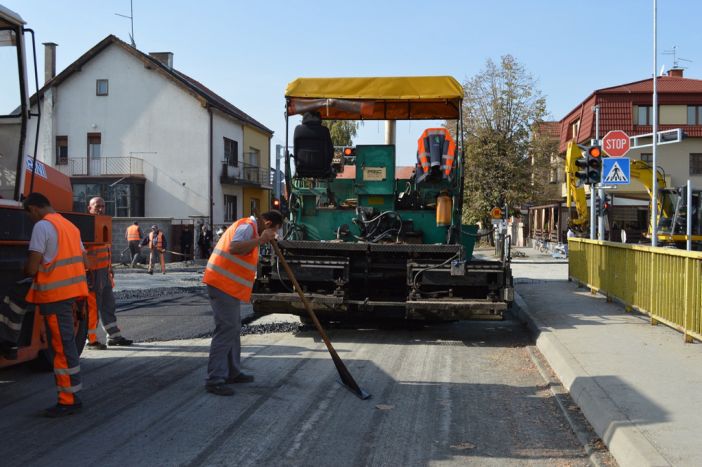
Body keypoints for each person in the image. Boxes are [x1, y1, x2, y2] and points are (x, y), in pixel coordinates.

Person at [202, 210, 283, 396]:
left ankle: (233, 372)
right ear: (268, 223)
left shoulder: (252, 229)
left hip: (227, 286)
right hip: (221, 284)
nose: (274, 235)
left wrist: (262, 240)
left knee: (233, 328)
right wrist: (261, 240)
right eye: (275, 230)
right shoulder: (247, 226)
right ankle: (214, 379)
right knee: (226, 329)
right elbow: (234, 247)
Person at [23, 192, 89, 417]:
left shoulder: (42, 227)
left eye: (30, 215)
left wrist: (24, 273)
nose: (31, 219)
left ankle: (69, 399)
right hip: (70, 295)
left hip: (54, 297)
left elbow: (32, 268)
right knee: (65, 345)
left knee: (61, 348)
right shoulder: (70, 226)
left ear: (33, 209)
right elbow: (84, 260)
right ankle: (71, 395)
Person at [85, 197, 133, 349]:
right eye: (97, 206)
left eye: (103, 206)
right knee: (92, 308)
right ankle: (90, 339)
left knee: (108, 305)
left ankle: (113, 336)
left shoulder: (104, 224)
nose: (100, 208)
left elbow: (106, 250)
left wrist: (110, 268)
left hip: (104, 272)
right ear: (89, 208)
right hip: (92, 274)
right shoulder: (86, 226)